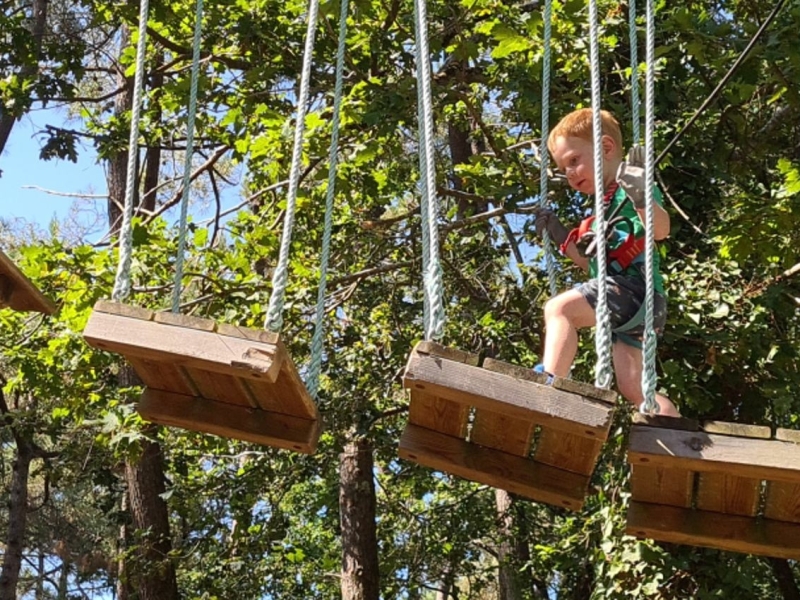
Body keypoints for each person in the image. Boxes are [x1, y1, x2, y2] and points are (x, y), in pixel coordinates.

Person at [535, 108, 680, 417]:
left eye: (574, 160)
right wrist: (559, 232)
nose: (569, 173)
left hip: (635, 290)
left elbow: (661, 230)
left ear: (606, 147)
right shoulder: (603, 209)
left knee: (559, 309)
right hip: (637, 301)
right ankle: (675, 428)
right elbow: (592, 268)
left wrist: (640, 196)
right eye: (563, 168)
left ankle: (548, 381)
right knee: (634, 387)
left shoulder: (632, 187)